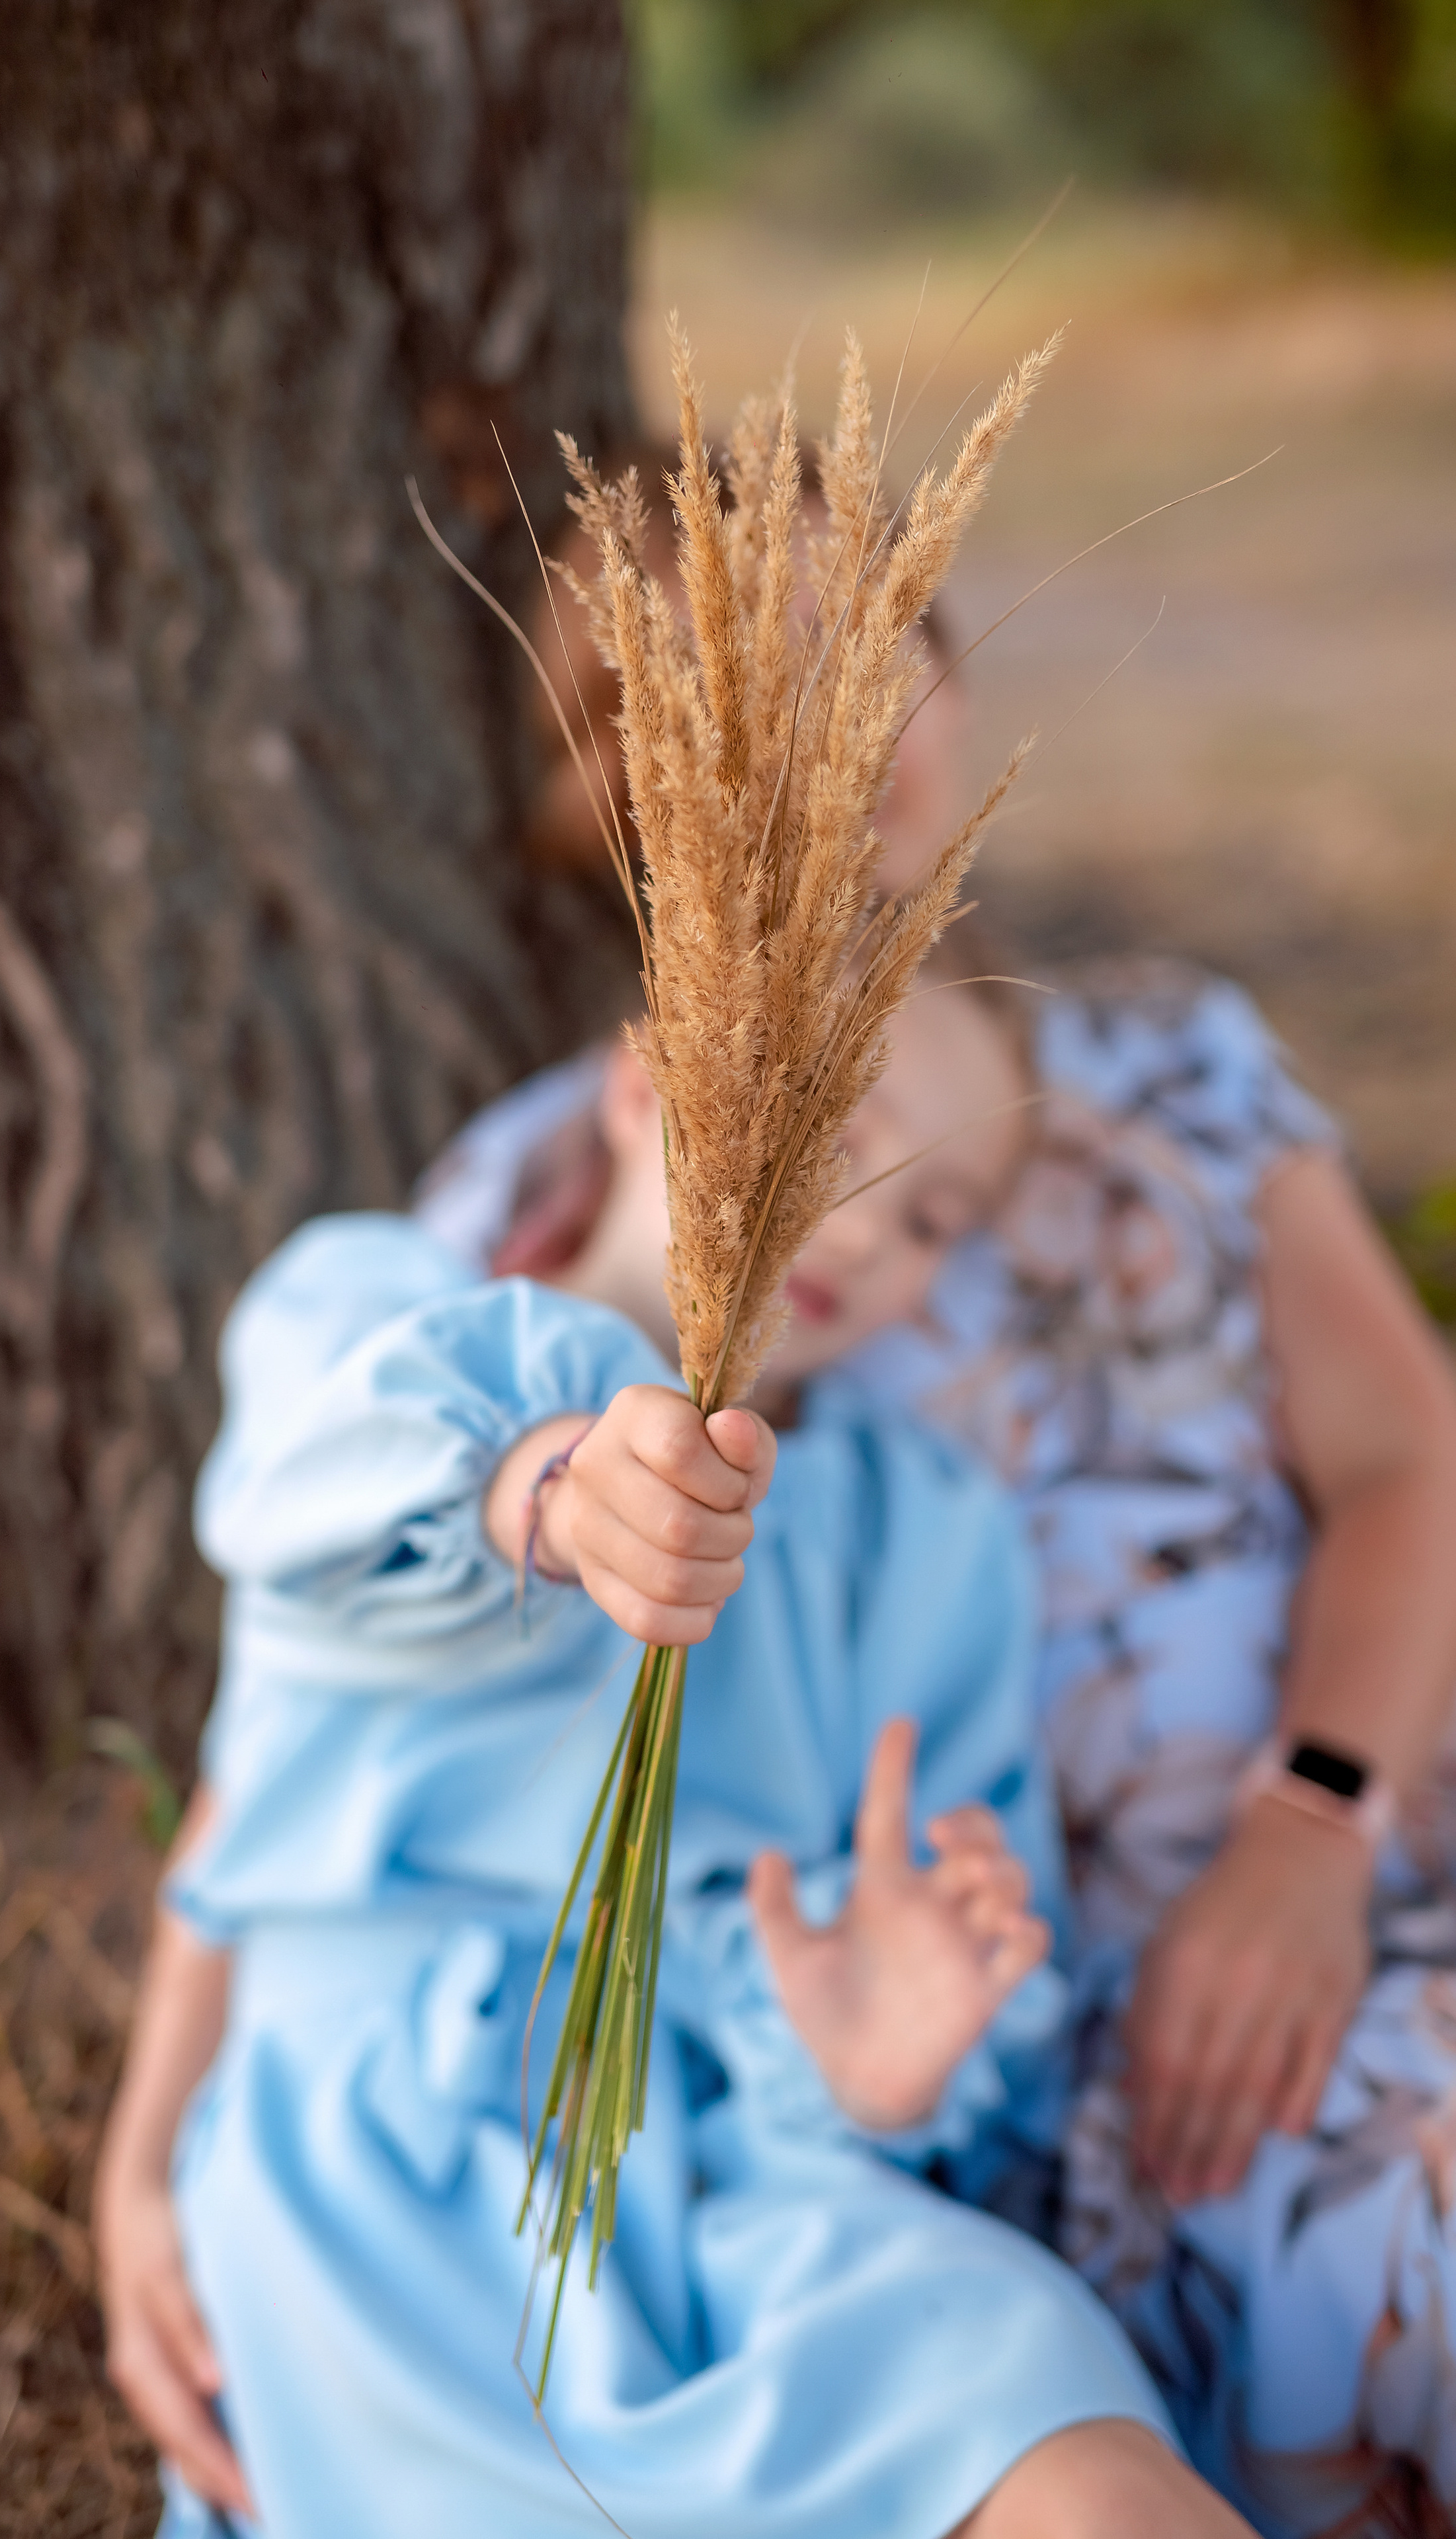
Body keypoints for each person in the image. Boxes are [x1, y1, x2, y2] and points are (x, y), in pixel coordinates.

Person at [415, 528, 1456, 2527]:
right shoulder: (610, 1163)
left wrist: (1312, 1820)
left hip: (1317, 1886)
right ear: (646, 782)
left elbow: (1409, 1461)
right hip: (951, 2063)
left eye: (879, 649)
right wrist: (150, 2137)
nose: (850, 723)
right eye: (754, 698)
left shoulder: (1161, 1056)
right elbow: (362, 1610)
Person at [93, 1017, 1250, 2539]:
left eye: (932, 1217)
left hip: (758, 2174)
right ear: (652, 1082)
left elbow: (966, 1929)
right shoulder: (381, 1315)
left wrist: (868, 2057)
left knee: (1061, 2442)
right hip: (401, 2178)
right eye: (848, 1134)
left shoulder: (917, 1536)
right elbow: (317, 1507)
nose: (875, 1226)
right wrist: (552, 1490)